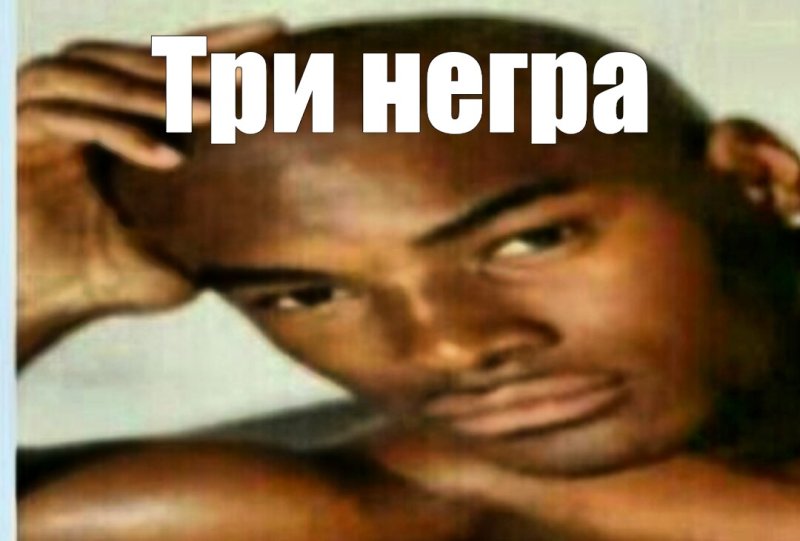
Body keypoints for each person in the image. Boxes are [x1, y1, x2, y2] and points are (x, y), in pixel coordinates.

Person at [16, 15, 800, 541]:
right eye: (309, 294)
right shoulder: (416, 506)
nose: (448, 345)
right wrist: (30, 292)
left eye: (530, 241)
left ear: (760, 178)